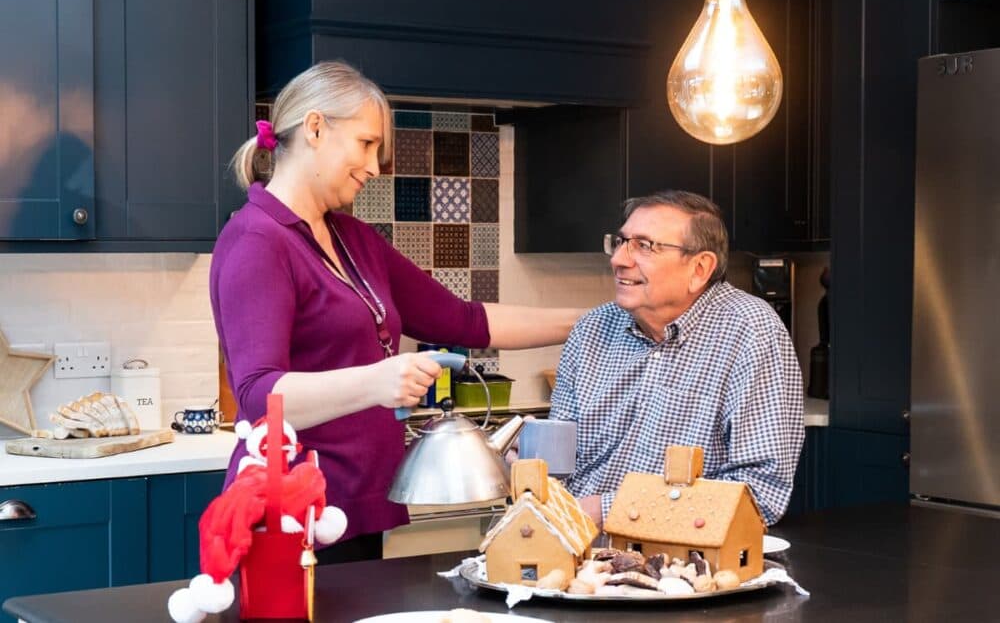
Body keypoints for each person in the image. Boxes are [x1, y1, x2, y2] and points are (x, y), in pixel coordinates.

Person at [211, 60, 583, 563]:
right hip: (290, 515)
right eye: (366, 144)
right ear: (316, 128)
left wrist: (595, 319)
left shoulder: (350, 238)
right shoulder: (258, 240)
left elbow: (463, 321)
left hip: (357, 502)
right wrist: (376, 381)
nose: (374, 166)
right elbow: (259, 396)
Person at [549, 190, 804, 527]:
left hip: (684, 566)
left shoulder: (749, 331)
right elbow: (557, 465)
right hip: (576, 551)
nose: (619, 260)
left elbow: (758, 494)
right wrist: (527, 464)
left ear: (700, 268)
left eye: (644, 246)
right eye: (622, 241)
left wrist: (605, 512)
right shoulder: (592, 329)